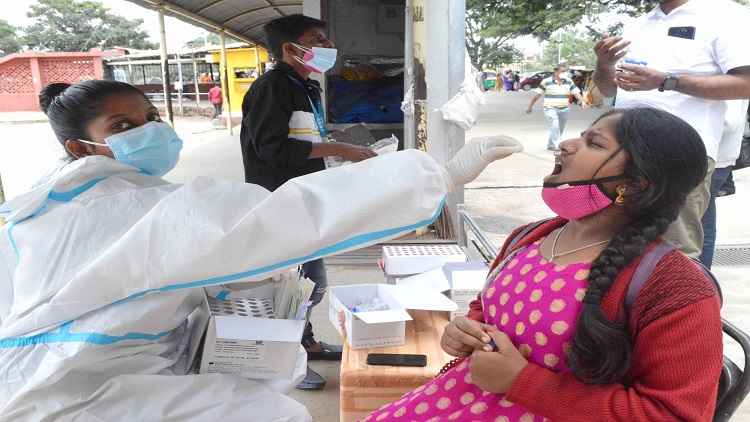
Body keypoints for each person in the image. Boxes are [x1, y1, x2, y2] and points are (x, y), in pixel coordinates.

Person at [0, 79, 522, 421]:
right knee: (279, 412)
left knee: (272, 373)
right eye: (123, 127)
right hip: (74, 390)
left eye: (150, 115)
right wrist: (436, 172)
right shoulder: (120, 205)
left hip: (74, 375)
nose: (151, 130)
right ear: (79, 146)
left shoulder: (40, 204)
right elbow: (283, 216)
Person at [366, 107, 722, 422]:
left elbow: (676, 415)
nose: (567, 144)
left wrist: (521, 382)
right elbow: (486, 309)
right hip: (457, 401)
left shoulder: (675, 287)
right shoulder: (530, 237)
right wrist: (467, 331)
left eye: (594, 144)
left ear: (631, 185)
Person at [239, 14, 381, 390]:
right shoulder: (273, 88)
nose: (328, 46)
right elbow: (271, 149)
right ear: (290, 49)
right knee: (293, 286)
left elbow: (303, 139)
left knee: (310, 281)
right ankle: (288, 362)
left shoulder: (305, 86)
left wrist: (337, 149)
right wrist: (339, 148)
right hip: (279, 201)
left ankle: (307, 342)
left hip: (306, 199)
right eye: (317, 39)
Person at [593, 0, 750, 258]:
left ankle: (686, 297)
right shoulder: (640, 24)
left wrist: (667, 81)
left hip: (679, 153)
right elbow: (609, 89)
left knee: (675, 248)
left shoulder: (726, 15)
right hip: (623, 150)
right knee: (621, 239)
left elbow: (744, 83)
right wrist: (604, 65)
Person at [700, 99, 749, 267]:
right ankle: (701, 279)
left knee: (697, 222)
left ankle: (699, 280)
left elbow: (730, 121)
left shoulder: (732, 74)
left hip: (712, 155)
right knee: (703, 217)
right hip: (714, 155)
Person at [526, 64, 584, 151]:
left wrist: (582, 101)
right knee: (555, 125)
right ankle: (558, 145)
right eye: (562, 71)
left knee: (559, 128)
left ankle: (550, 145)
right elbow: (537, 95)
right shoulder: (546, 81)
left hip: (564, 109)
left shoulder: (568, 81)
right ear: (556, 72)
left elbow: (576, 92)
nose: (564, 73)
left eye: (565, 72)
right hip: (550, 108)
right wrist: (530, 106)